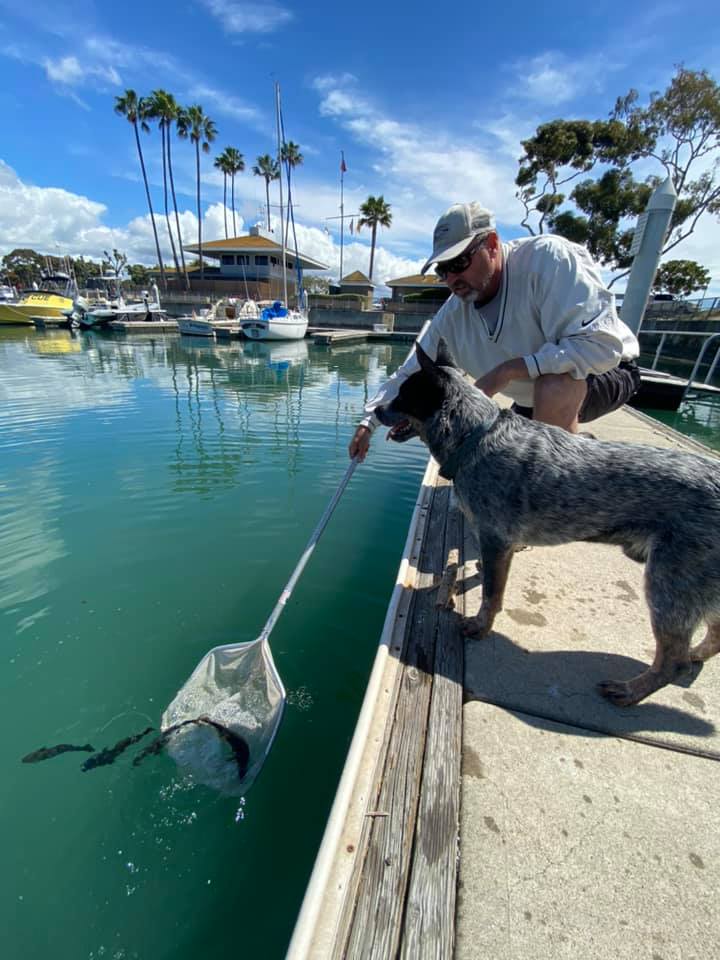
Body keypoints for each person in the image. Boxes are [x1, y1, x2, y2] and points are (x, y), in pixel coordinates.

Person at [349, 201, 640, 461]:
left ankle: (563, 479)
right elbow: (408, 372)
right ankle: (572, 447)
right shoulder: (451, 315)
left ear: (491, 243)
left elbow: (602, 346)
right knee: (493, 454)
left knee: (552, 388)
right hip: (529, 399)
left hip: (605, 372)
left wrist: (508, 371)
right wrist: (368, 424)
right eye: (443, 269)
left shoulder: (548, 260)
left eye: (459, 262)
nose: (452, 278)